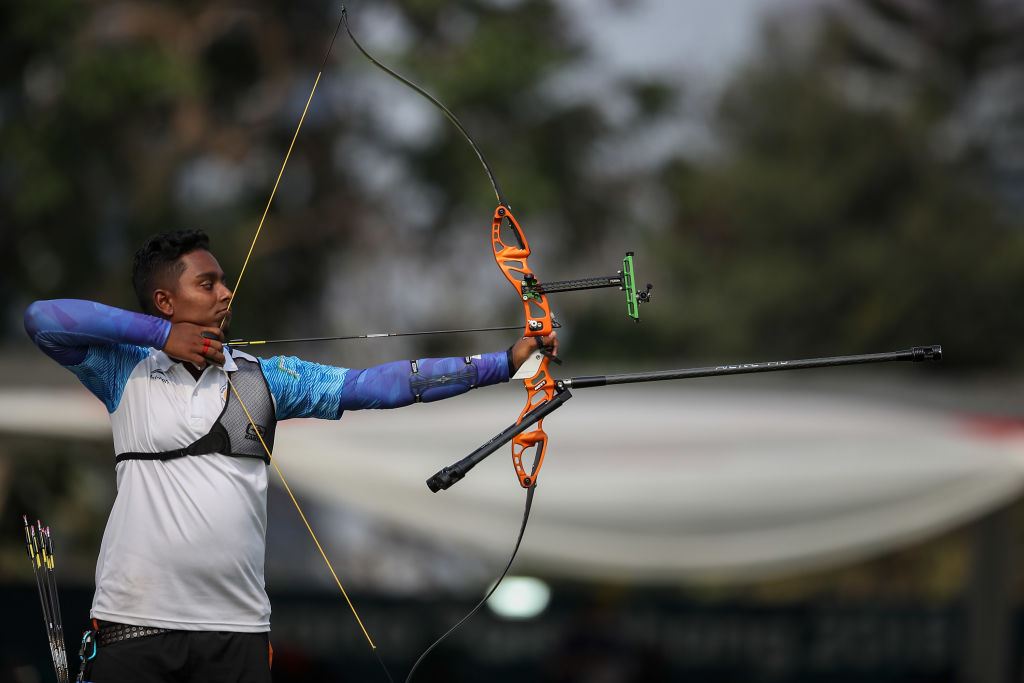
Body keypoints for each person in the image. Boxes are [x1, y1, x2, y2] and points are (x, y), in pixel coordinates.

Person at [23, 229, 557, 683]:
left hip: (236, 632)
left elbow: (380, 384)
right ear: (165, 301)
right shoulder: (126, 370)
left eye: (223, 282)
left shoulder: (265, 379)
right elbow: (43, 318)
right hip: (133, 623)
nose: (225, 294)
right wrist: (161, 337)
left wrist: (505, 362)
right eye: (206, 284)